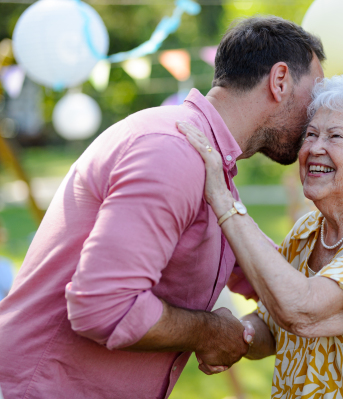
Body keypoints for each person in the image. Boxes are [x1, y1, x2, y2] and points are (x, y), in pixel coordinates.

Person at [0, 17, 324, 398]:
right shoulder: (172, 152)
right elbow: (104, 306)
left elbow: (277, 279)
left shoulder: (211, 167)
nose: (318, 114)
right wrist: (210, 332)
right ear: (280, 80)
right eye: (316, 95)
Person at [179, 72, 343, 398]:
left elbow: (303, 311)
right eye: (310, 134)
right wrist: (235, 334)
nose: (315, 148)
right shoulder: (307, 231)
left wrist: (224, 199)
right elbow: (274, 325)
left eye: (335, 137)